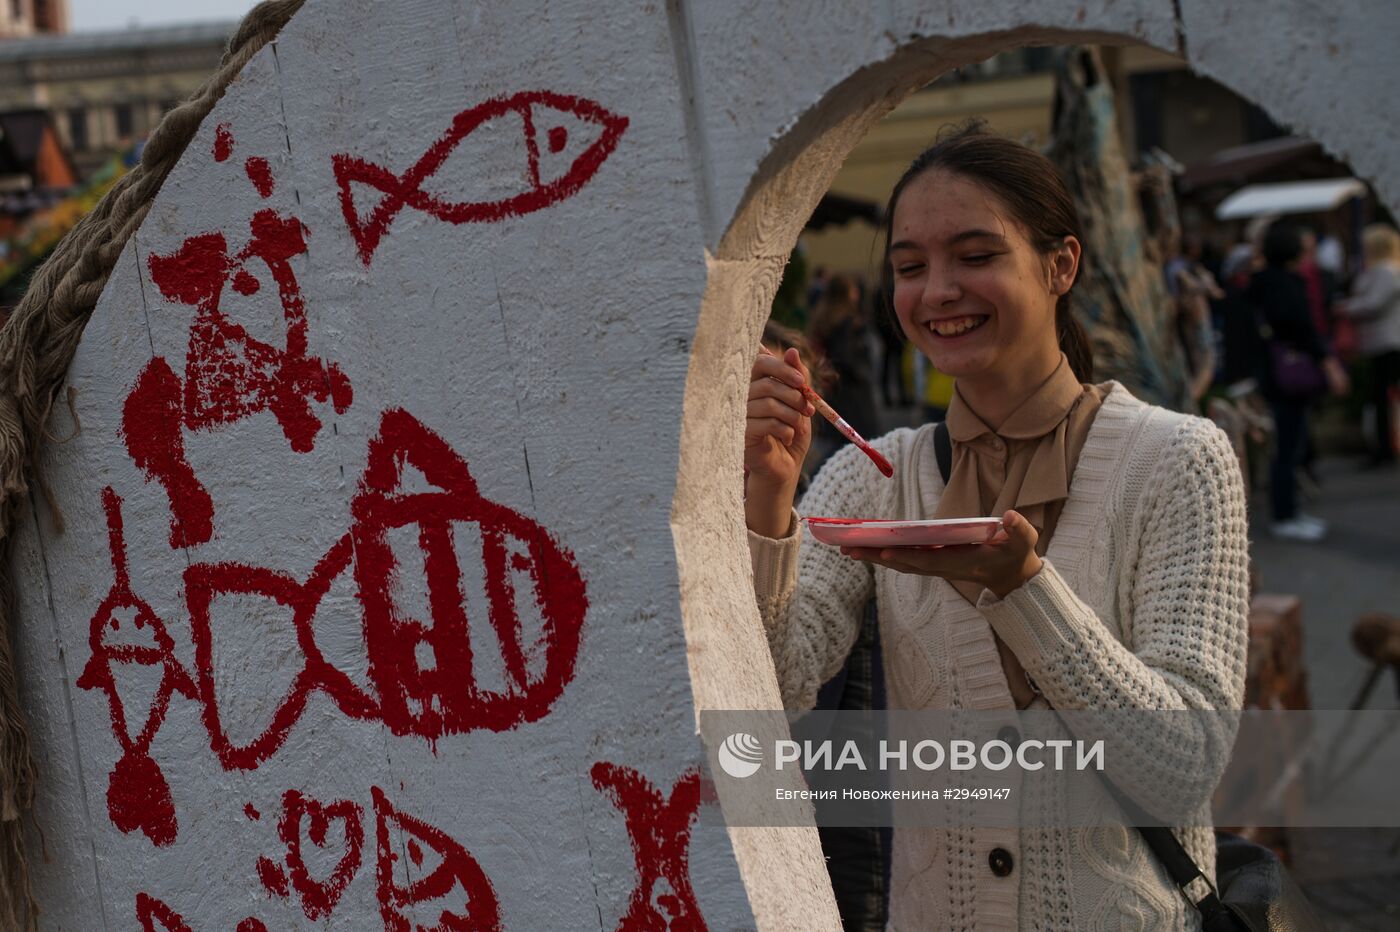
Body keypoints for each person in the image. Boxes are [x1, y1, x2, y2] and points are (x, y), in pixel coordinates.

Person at [743, 124, 1249, 930]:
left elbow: (1184, 765)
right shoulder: (878, 475)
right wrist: (768, 503)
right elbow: (776, 689)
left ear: (1061, 265)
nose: (937, 290)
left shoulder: (1178, 460)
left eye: (975, 256)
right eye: (910, 268)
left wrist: (1023, 588)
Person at [1247, 224, 1350, 541]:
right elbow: (1302, 328)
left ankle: (1290, 511)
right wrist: (1327, 361)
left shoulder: (1260, 282)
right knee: (1290, 445)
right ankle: (1285, 514)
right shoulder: (1287, 284)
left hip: (1274, 371)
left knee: (1290, 444)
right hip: (1290, 373)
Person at [1337, 224, 1400, 467]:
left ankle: (1386, 447)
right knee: (1381, 397)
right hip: (1378, 341)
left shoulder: (1386, 271)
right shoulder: (1378, 270)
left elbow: (1374, 304)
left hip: (1387, 341)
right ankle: (1384, 445)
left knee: (1384, 396)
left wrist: (1346, 308)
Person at [806, 273, 880, 470]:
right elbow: (845, 356)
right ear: (846, 294)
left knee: (838, 444)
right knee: (855, 443)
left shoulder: (823, 316)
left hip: (833, 389)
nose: (856, 293)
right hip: (852, 395)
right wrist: (863, 373)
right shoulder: (846, 321)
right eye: (853, 289)